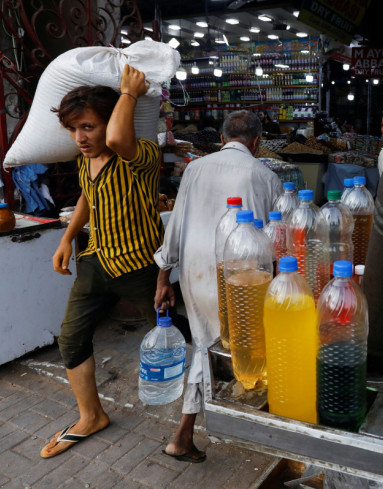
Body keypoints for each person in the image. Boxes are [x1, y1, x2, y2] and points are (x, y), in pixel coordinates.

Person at [41, 65, 163, 458]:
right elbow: (87, 198)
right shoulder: (84, 161)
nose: (80, 138)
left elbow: (117, 138)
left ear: (111, 123)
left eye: (89, 127)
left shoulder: (141, 156)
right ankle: (91, 416)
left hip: (142, 268)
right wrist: (67, 237)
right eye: (74, 129)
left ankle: (218, 404)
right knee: (72, 337)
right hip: (96, 262)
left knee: (183, 336)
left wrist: (128, 92)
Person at [154, 110, 282, 463]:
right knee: (226, 344)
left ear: (223, 139)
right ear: (256, 143)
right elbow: (276, 235)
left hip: (195, 268)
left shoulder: (194, 168)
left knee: (207, 341)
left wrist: (164, 278)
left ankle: (225, 418)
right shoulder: (266, 175)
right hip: (242, 272)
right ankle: (183, 434)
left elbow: (175, 225)